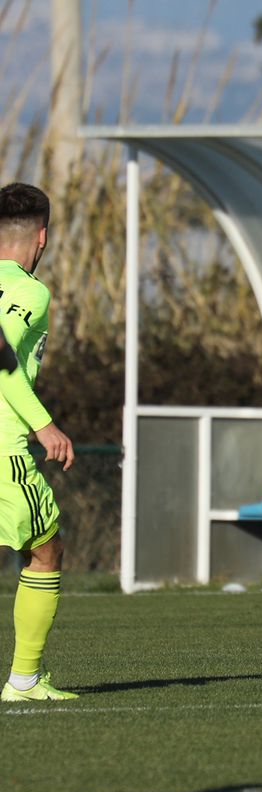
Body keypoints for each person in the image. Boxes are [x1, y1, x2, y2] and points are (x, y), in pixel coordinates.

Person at [0, 183, 77, 702]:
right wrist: (44, 424)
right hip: (5, 449)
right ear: (42, 237)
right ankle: (24, 680)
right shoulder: (30, 292)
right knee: (45, 550)